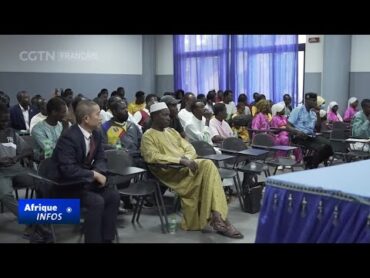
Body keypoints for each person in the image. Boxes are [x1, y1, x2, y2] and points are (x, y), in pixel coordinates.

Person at [141, 102, 243, 239]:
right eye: (164, 115)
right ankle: (220, 219)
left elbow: (189, 148)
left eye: (168, 115)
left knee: (208, 165)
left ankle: (218, 218)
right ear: (154, 116)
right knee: (209, 171)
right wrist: (180, 161)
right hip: (170, 172)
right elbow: (152, 157)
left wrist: (188, 159)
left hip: (186, 167)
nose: (168, 117)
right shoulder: (148, 136)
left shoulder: (172, 131)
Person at [52, 100, 120, 243]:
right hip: (67, 185)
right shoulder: (69, 137)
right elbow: (67, 170)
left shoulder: (96, 134)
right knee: (96, 201)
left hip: (84, 182)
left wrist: (97, 171)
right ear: (86, 119)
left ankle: (107, 240)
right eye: (97, 114)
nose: (101, 118)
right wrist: (94, 175)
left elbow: (101, 158)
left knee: (113, 195)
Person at [287, 92, 333, 169]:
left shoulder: (313, 113)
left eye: (315, 100)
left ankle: (310, 162)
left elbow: (318, 129)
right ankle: (312, 165)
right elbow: (288, 126)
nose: (315, 102)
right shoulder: (298, 110)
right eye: (313, 100)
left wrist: (318, 114)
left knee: (329, 146)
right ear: (307, 100)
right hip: (299, 137)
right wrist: (297, 132)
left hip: (311, 136)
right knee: (321, 147)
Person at [31, 97, 69, 161]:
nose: (65, 115)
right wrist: (64, 131)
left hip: (64, 160)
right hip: (46, 164)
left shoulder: (63, 124)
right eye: (63, 112)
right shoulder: (38, 129)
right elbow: (50, 152)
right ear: (54, 112)